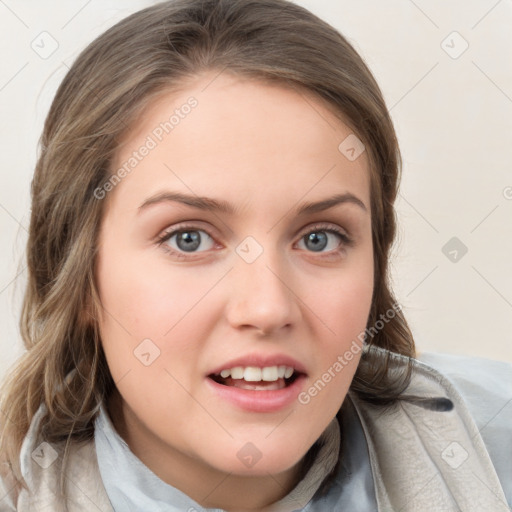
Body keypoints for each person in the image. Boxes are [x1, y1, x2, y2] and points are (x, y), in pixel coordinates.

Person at [0, 0, 510, 510]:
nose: (268, 308)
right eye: (189, 239)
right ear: (77, 273)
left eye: (320, 238)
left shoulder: (493, 437)